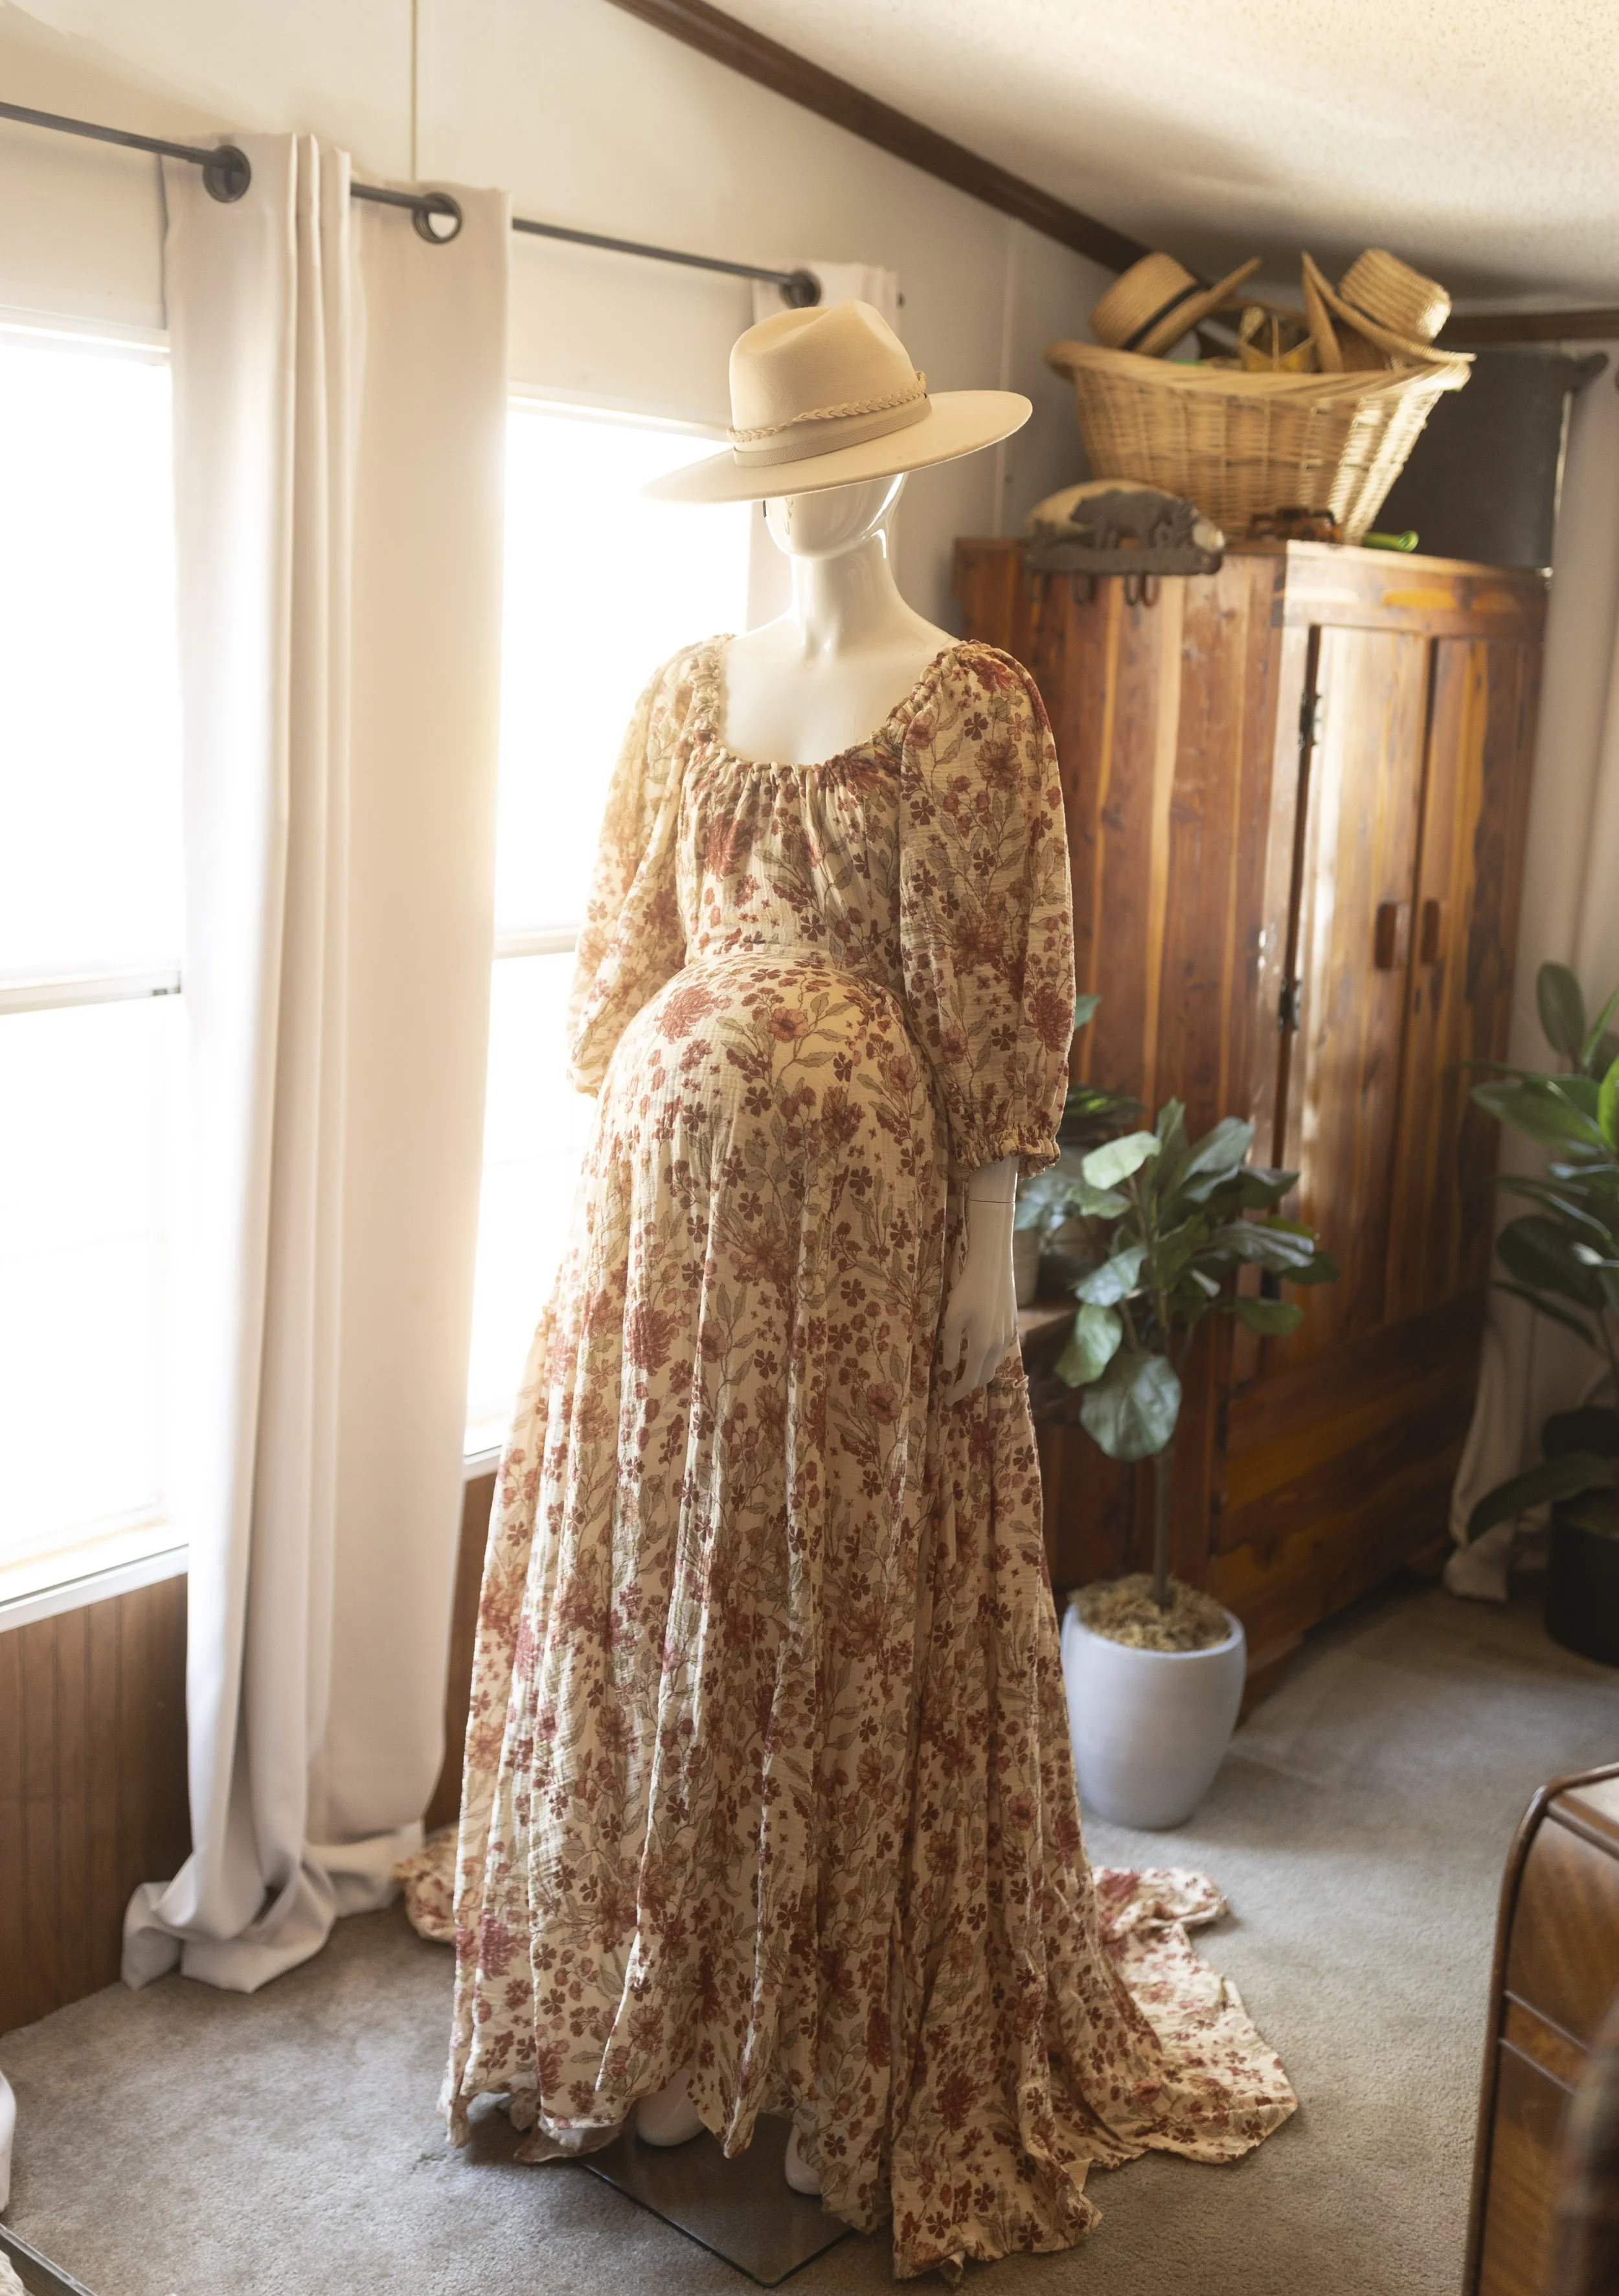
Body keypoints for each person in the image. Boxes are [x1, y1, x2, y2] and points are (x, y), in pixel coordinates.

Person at [439, 301, 1295, 2279]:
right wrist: (627, 1199)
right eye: (793, 469)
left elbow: (1001, 996)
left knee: (842, 1589)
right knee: (676, 1585)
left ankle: (832, 2035)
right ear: (767, 483)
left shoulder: (969, 698)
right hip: (667, 1246)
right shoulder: (681, 691)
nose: (824, 498)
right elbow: (626, 963)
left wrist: (993, 1250)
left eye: (848, 464)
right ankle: (668, 2003)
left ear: (895, 471)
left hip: (861, 1242)